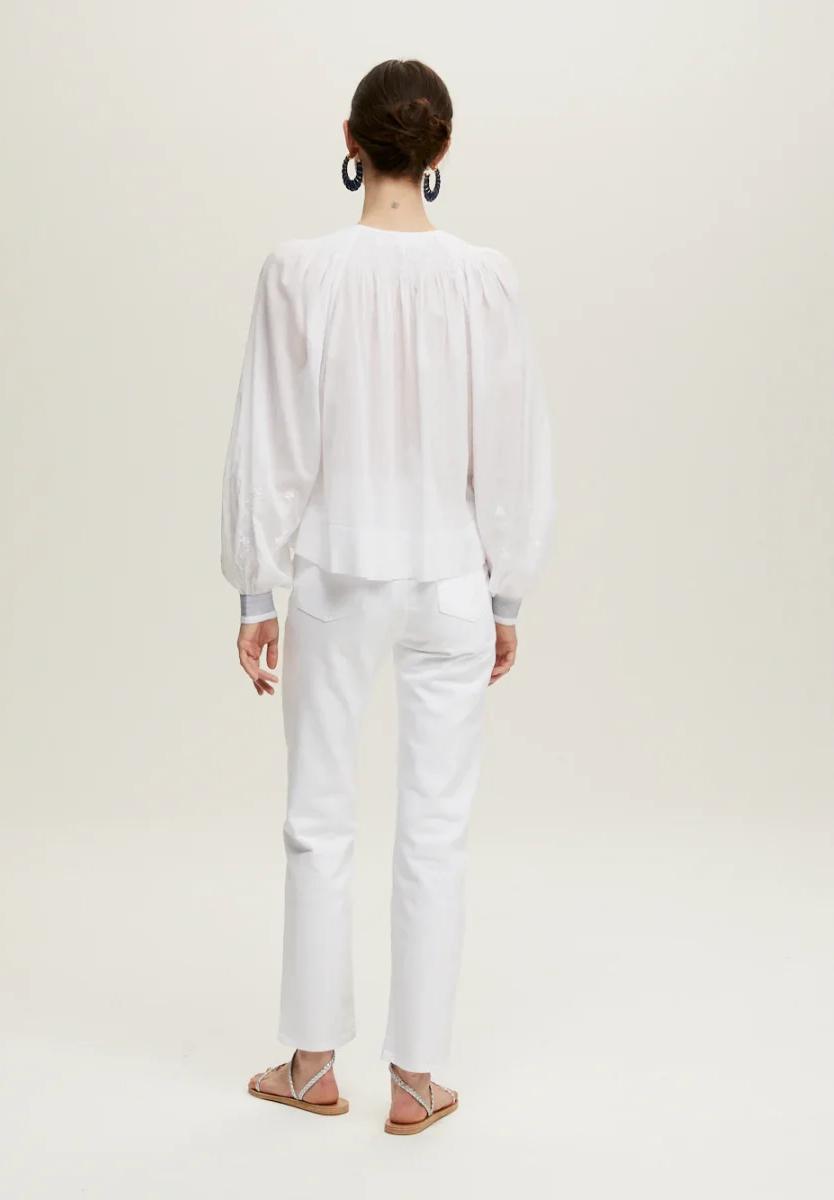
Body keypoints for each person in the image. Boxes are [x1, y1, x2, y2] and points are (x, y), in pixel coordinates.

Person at [221, 58, 554, 1136]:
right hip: (451, 580)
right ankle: (416, 1080)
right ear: (443, 149)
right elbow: (509, 447)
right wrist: (507, 596)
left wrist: (254, 590)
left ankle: (312, 1064)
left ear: (351, 140)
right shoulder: (485, 278)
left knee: (318, 818)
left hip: (332, 573)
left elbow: (271, 440)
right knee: (436, 829)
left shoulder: (299, 272)